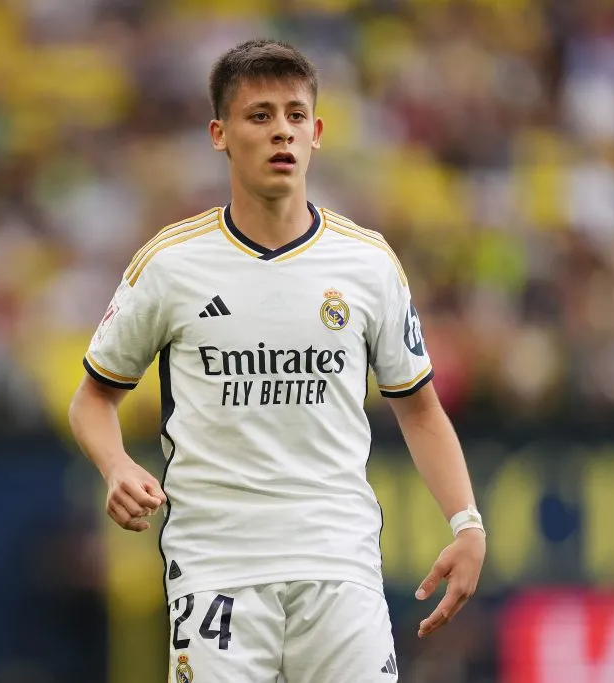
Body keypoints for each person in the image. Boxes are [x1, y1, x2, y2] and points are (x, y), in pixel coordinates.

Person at [68, 38, 486, 683]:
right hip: (218, 569)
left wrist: (467, 523)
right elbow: (93, 397)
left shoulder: (367, 263)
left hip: (339, 565)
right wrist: (116, 464)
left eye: (294, 115)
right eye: (259, 116)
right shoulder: (172, 264)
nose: (280, 132)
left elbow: (419, 406)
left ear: (317, 133)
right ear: (220, 134)